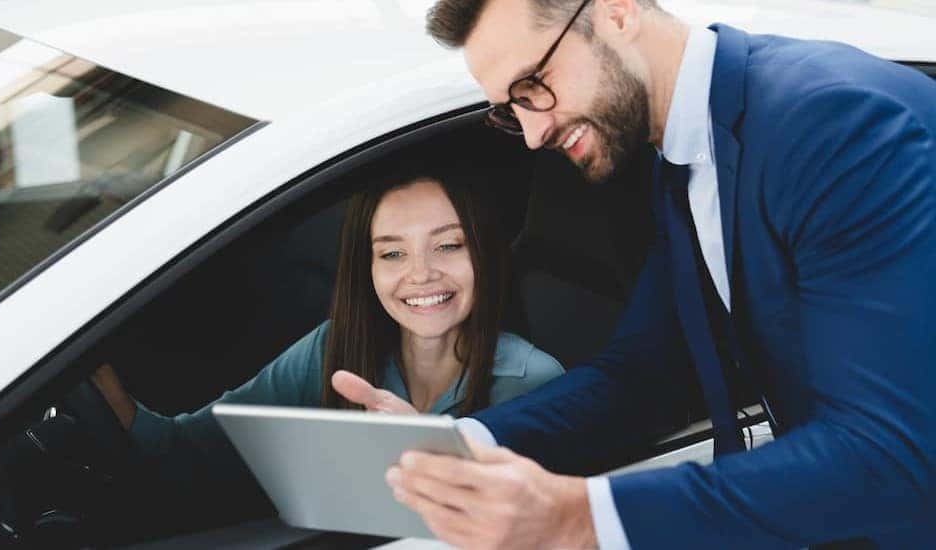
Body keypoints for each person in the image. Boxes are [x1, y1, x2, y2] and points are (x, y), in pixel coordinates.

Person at [332, 0, 936, 548]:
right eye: (510, 109)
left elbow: (893, 453)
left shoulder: (833, 124)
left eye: (533, 85)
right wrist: (458, 448)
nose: (534, 132)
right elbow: (648, 373)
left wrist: (577, 518)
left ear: (618, 13)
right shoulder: (683, 156)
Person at [90, 157, 564, 491]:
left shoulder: (535, 381)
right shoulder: (333, 348)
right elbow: (193, 449)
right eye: (393, 253)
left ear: (483, 253)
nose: (420, 273)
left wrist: (434, 452)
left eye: (449, 245)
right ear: (368, 267)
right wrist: (102, 388)